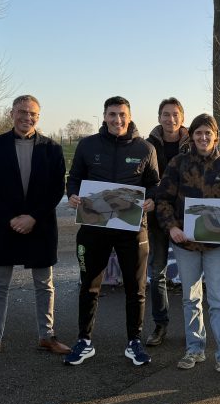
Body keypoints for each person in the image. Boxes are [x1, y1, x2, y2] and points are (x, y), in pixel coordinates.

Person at [0, 95, 70, 362]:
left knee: (44, 284)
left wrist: (32, 217)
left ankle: (47, 335)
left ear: (39, 116)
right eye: (22, 112)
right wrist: (11, 217)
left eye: (33, 113)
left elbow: (57, 189)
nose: (27, 117)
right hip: (4, 225)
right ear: (11, 113)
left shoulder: (53, 148)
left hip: (41, 224)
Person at [64, 97, 159, 366]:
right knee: (89, 286)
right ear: (104, 116)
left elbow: (154, 184)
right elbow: (74, 178)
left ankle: (134, 342)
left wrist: (151, 199)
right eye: (113, 114)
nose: (118, 120)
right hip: (94, 228)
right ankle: (84, 341)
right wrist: (71, 194)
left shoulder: (145, 148)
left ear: (130, 116)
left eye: (122, 115)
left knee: (136, 288)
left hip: (132, 230)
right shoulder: (87, 145)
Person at [155, 113, 220, 380]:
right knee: (190, 298)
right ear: (191, 136)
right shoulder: (178, 163)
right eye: (198, 133)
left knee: (218, 301)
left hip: (216, 246)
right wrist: (172, 227)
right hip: (186, 245)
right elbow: (163, 199)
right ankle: (195, 348)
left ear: (216, 135)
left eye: (208, 133)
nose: (203, 138)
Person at [144, 97, 190, 347]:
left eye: (175, 114)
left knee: (191, 276)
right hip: (156, 217)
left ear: (182, 117)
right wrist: (150, 198)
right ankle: (160, 325)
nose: (170, 119)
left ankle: (194, 329)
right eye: (165, 114)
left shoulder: (194, 143)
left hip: (186, 218)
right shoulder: (147, 144)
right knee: (157, 272)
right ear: (159, 117)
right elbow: (142, 180)